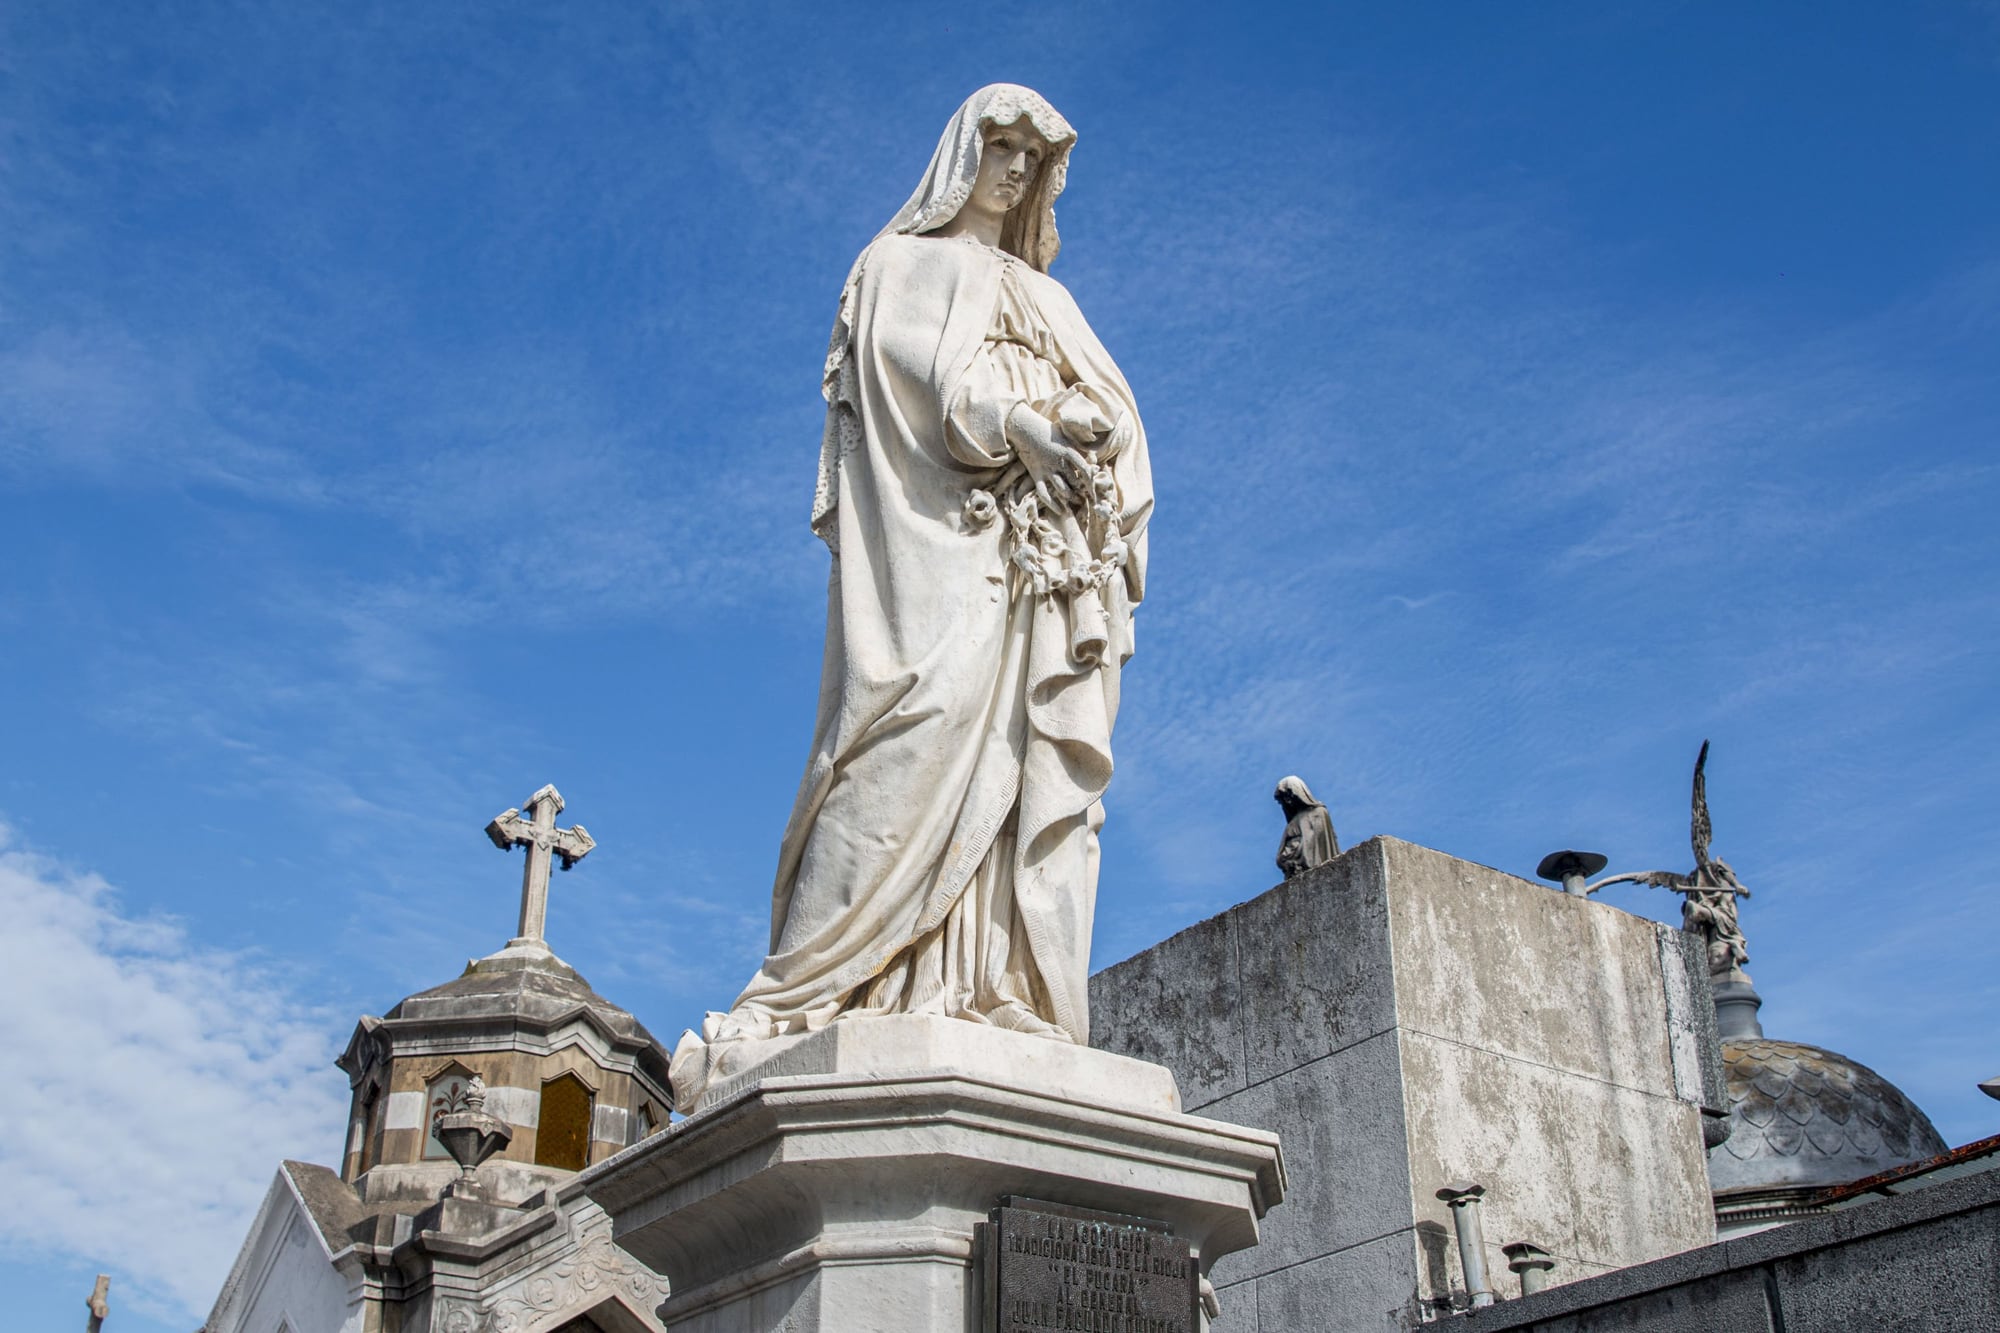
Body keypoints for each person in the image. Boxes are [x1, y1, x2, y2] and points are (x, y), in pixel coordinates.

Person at [670, 85, 1152, 1112]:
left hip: (1039, 574)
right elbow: (908, 381)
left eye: (1036, 155)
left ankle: (993, 985)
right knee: (906, 731)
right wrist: (1017, 418)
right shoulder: (896, 265)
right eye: (1001, 146)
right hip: (938, 557)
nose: (1017, 169)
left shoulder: (1051, 299)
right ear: (959, 155)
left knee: (1022, 769)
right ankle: (814, 984)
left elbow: (1121, 419)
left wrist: (1091, 435)